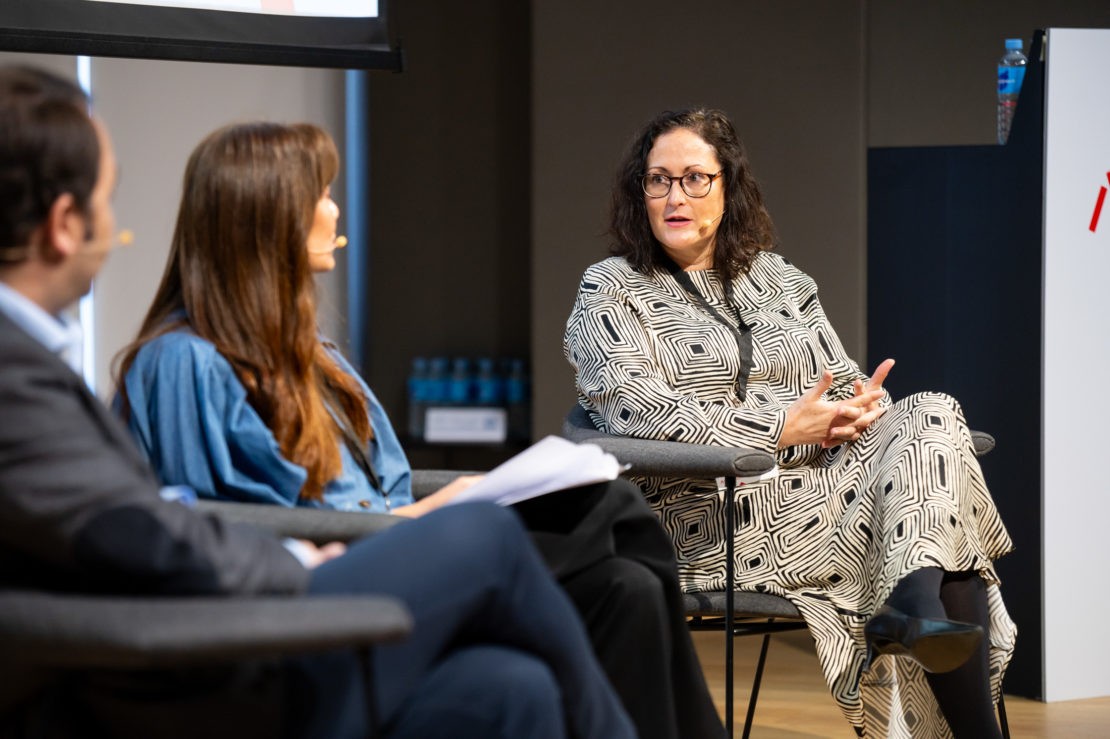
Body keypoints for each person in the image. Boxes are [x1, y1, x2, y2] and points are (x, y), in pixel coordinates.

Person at [0, 64, 637, 739]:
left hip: (220, 616)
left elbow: (142, 519)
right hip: (188, 663)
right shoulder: (37, 372)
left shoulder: (34, 360)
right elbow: (140, 534)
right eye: (107, 198)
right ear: (65, 224)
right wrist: (303, 559)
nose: (116, 223)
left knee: (513, 684)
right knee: (488, 537)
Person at [113, 120, 724, 739]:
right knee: (607, 506)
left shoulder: (316, 356)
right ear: (267, 215)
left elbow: (380, 486)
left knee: (625, 586)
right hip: (314, 590)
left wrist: (431, 508)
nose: (334, 209)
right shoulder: (182, 361)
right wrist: (429, 515)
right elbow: (216, 529)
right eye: (320, 194)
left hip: (380, 547)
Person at [563, 108, 1017, 739]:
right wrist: (780, 429)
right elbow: (638, 414)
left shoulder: (780, 278)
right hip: (712, 515)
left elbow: (841, 377)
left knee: (931, 409)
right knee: (949, 535)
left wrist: (858, 407)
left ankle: (913, 595)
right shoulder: (610, 289)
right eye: (658, 179)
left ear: (729, 187)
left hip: (828, 495)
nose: (674, 196)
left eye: (695, 178)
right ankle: (911, 600)